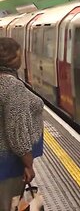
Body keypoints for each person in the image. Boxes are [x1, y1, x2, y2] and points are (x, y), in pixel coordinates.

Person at [0, 38, 44, 211]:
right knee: (8, 205)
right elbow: (17, 133)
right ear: (11, 58)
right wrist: (28, 164)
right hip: (8, 164)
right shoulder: (11, 86)